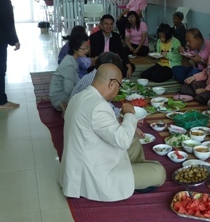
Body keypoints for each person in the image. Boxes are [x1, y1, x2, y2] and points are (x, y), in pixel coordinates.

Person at [58, 64, 166, 201]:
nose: (118, 91)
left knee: (133, 137)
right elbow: (123, 140)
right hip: (94, 175)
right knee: (159, 172)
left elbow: (99, 126)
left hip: (86, 159)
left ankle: (135, 174)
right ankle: (134, 178)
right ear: (112, 84)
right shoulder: (98, 106)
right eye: (119, 86)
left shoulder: (79, 97)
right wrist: (129, 114)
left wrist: (123, 119)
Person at [49, 33, 90, 111]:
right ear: (75, 49)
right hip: (59, 98)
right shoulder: (69, 65)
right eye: (84, 49)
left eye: (87, 48)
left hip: (61, 94)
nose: (86, 51)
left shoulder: (72, 59)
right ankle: (65, 106)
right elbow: (69, 89)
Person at [89, 14, 135, 78]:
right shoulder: (94, 37)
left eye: (111, 24)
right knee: (91, 70)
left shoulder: (116, 36)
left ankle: (110, 77)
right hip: (100, 64)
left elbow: (122, 52)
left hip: (113, 63)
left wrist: (129, 66)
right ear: (101, 25)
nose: (109, 26)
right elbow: (96, 53)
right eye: (106, 24)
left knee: (131, 67)